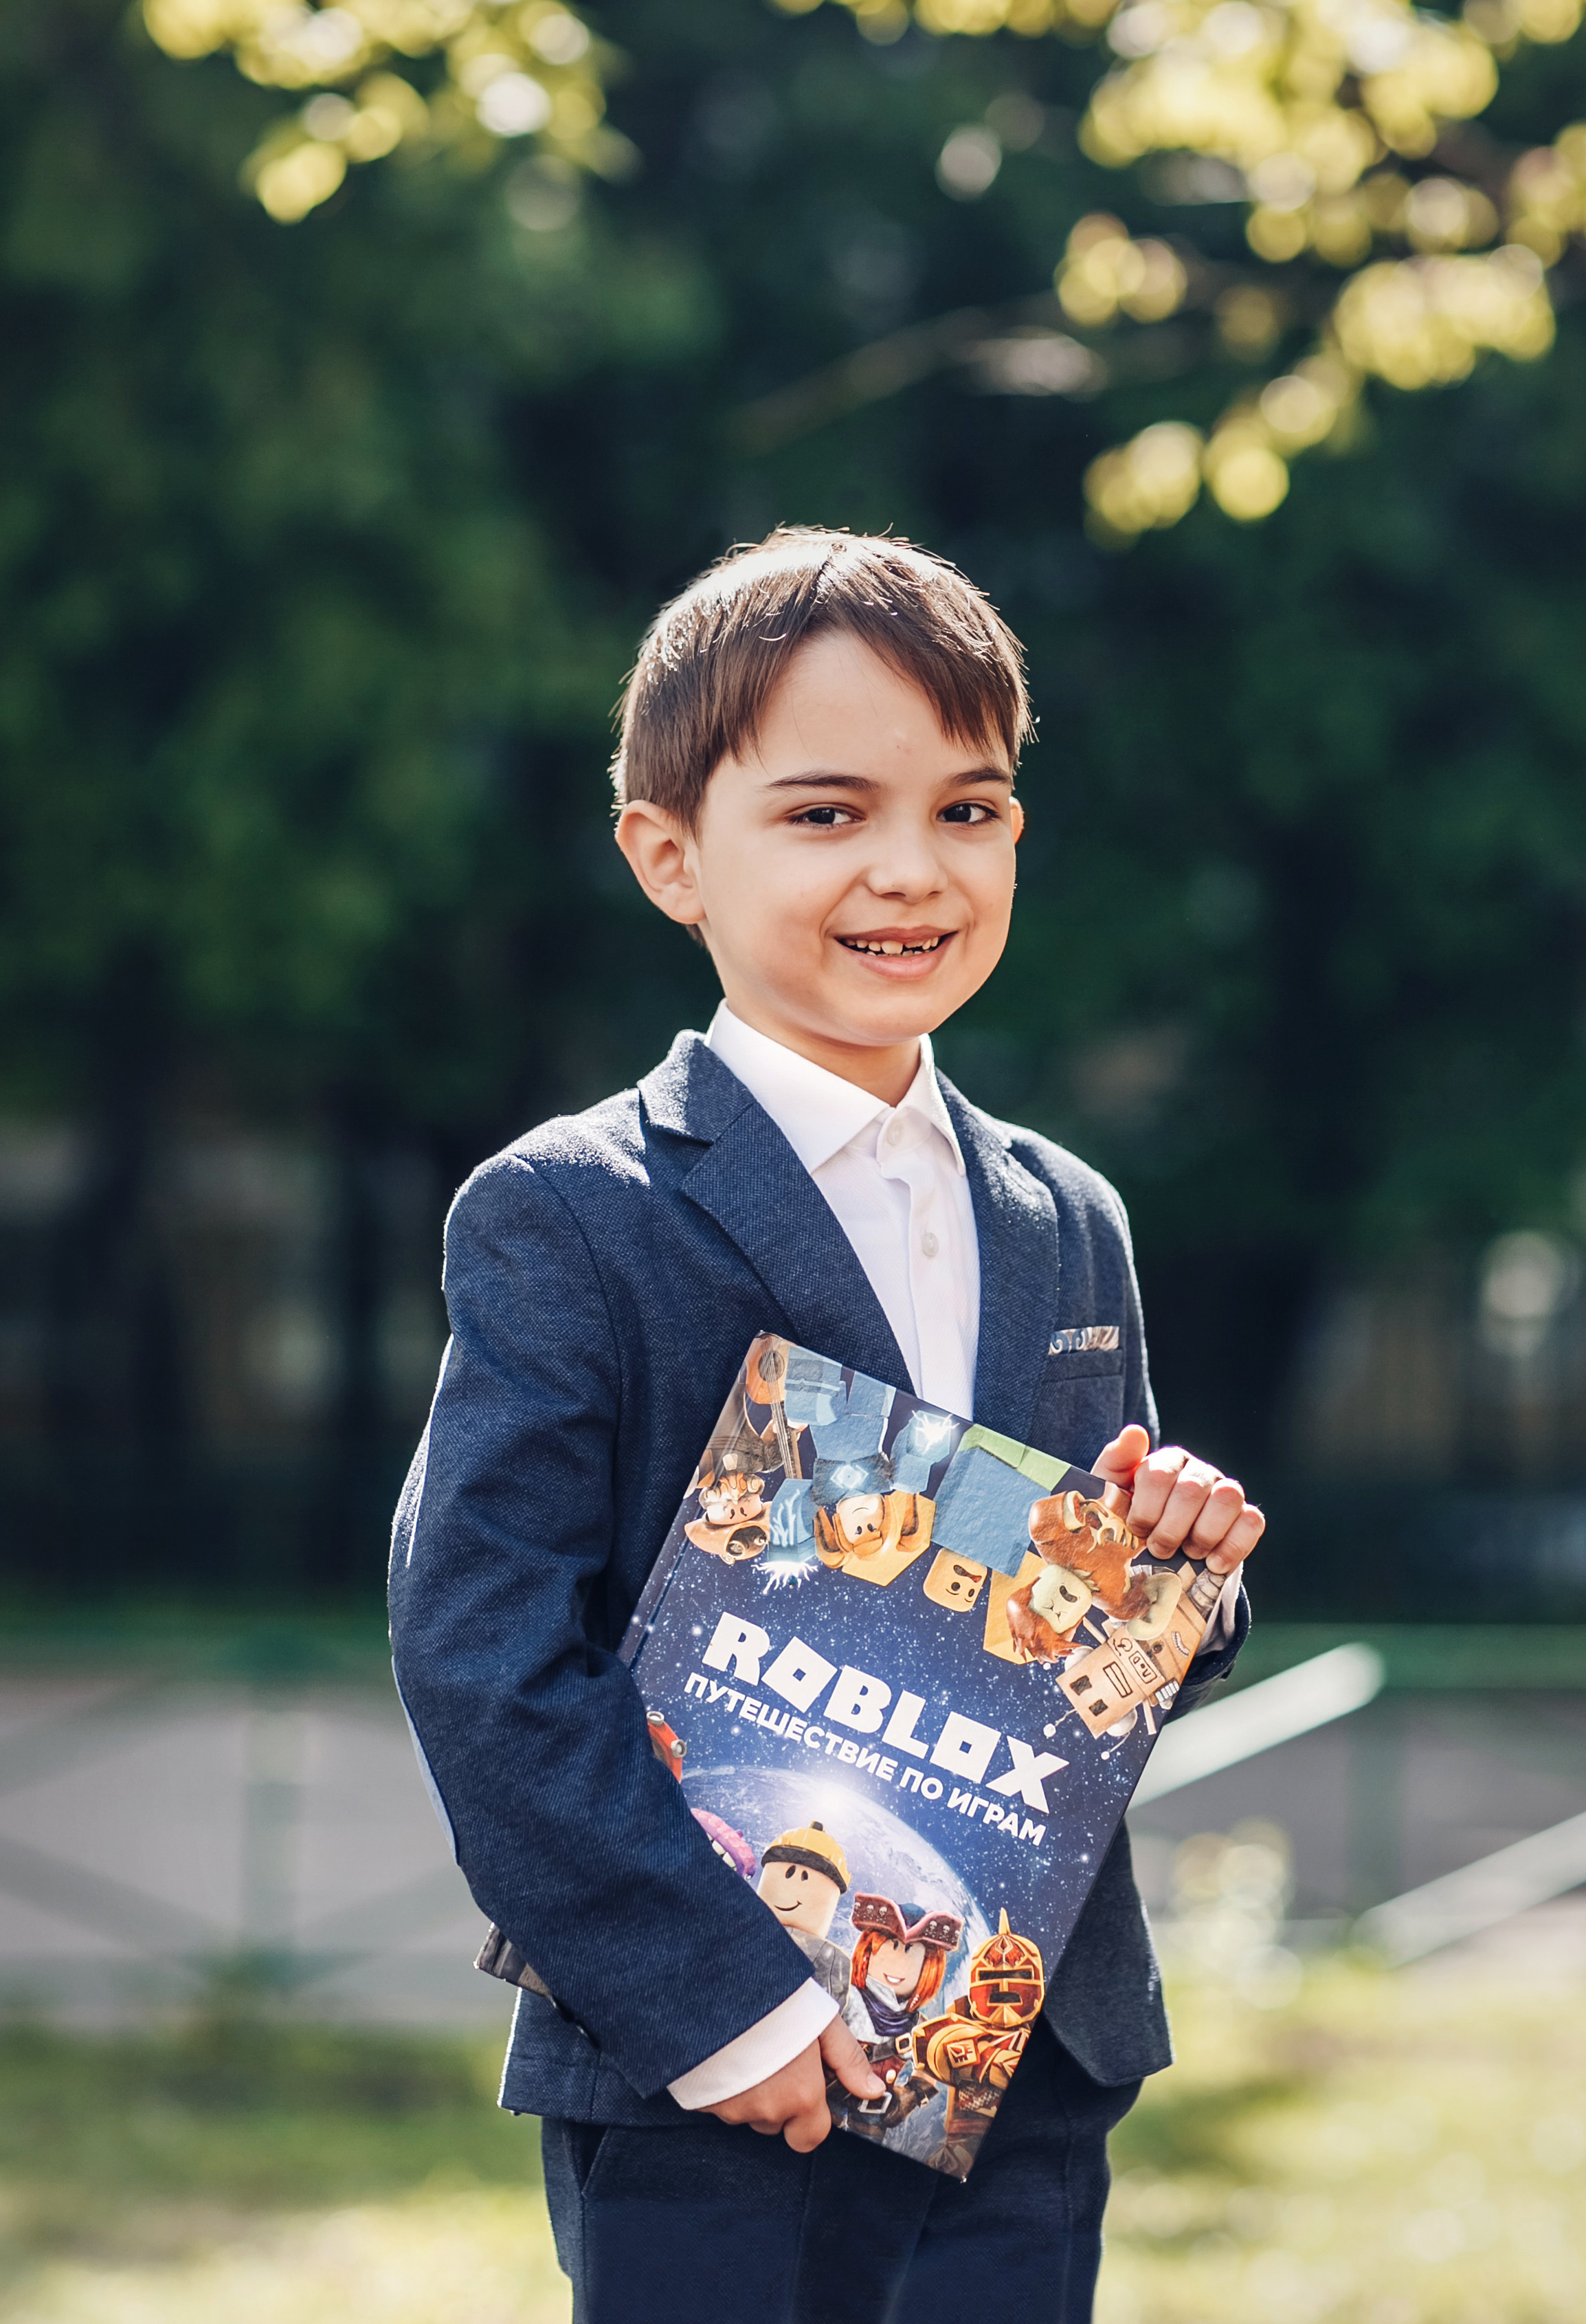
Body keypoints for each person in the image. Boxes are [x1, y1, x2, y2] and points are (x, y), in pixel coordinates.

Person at [388, 528, 1266, 2324]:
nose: (909, 870)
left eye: (969, 809)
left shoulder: (1068, 1217)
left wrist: (1182, 1565)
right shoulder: (570, 1212)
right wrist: (720, 2008)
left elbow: (1083, 1648)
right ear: (667, 856)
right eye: (825, 814)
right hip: (712, 2082)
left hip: (1022, 2069)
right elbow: (485, 1655)